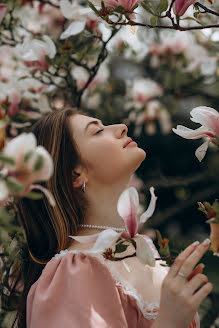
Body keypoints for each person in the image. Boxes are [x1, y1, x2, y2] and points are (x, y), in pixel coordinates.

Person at [13, 108, 213, 328]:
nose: (121, 127)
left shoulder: (139, 248)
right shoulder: (74, 272)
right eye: (97, 131)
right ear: (75, 174)